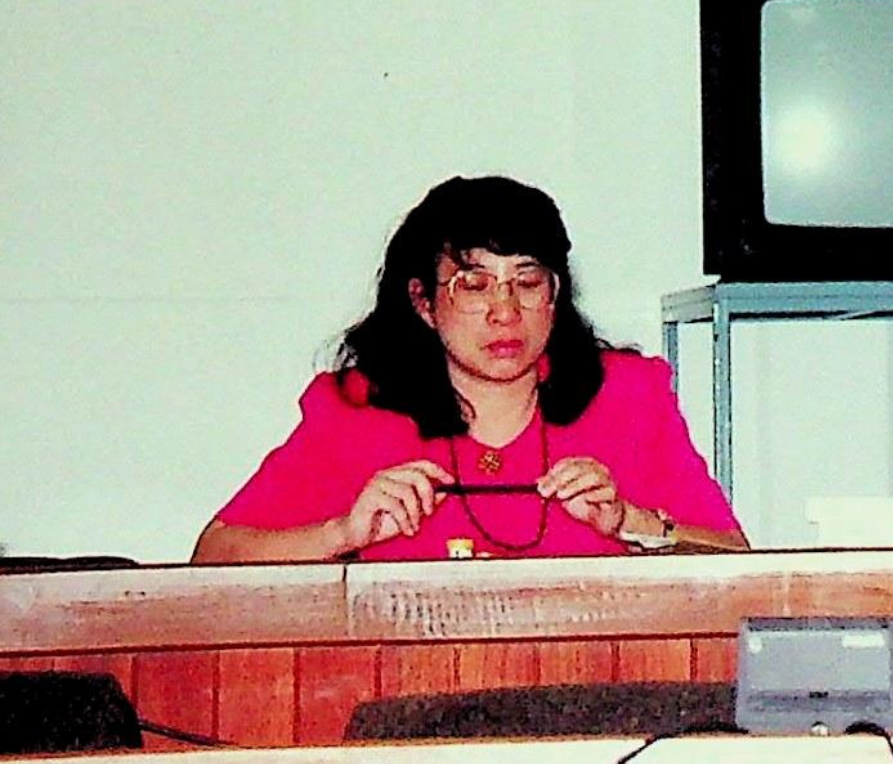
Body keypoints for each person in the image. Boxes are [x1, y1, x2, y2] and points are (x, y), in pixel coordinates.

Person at [192, 176, 747, 563]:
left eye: (527, 283)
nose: (505, 312)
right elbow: (211, 558)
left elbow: (738, 561)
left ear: (555, 295)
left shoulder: (627, 396)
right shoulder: (356, 409)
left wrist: (630, 521)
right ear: (423, 303)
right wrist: (341, 533)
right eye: (474, 285)